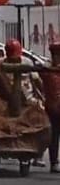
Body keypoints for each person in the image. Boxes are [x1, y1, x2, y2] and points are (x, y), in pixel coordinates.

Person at [37, 40, 60, 173]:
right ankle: (54, 162)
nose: (57, 56)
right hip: (52, 107)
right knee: (54, 136)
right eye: (55, 54)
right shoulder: (46, 69)